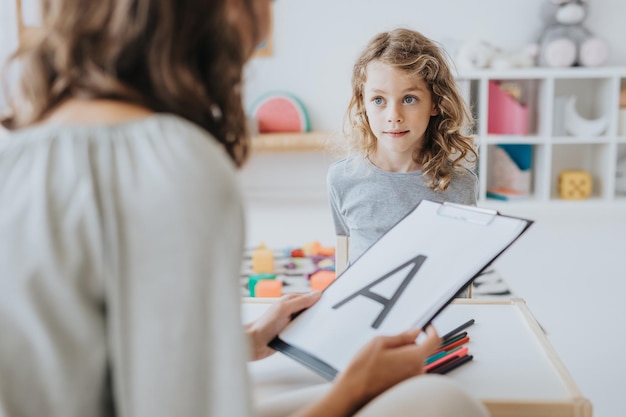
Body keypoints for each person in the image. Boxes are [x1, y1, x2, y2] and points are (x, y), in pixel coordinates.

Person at [0, 2, 489, 417]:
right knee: (446, 403)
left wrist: (247, 339)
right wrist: (354, 388)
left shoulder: (14, 155)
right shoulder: (175, 162)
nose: (262, 30)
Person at [327, 28, 479, 268]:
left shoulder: (461, 185)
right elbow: (345, 247)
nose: (393, 116)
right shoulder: (342, 178)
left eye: (409, 99)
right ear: (363, 104)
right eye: (378, 100)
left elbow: (460, 266)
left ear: (436, 103)